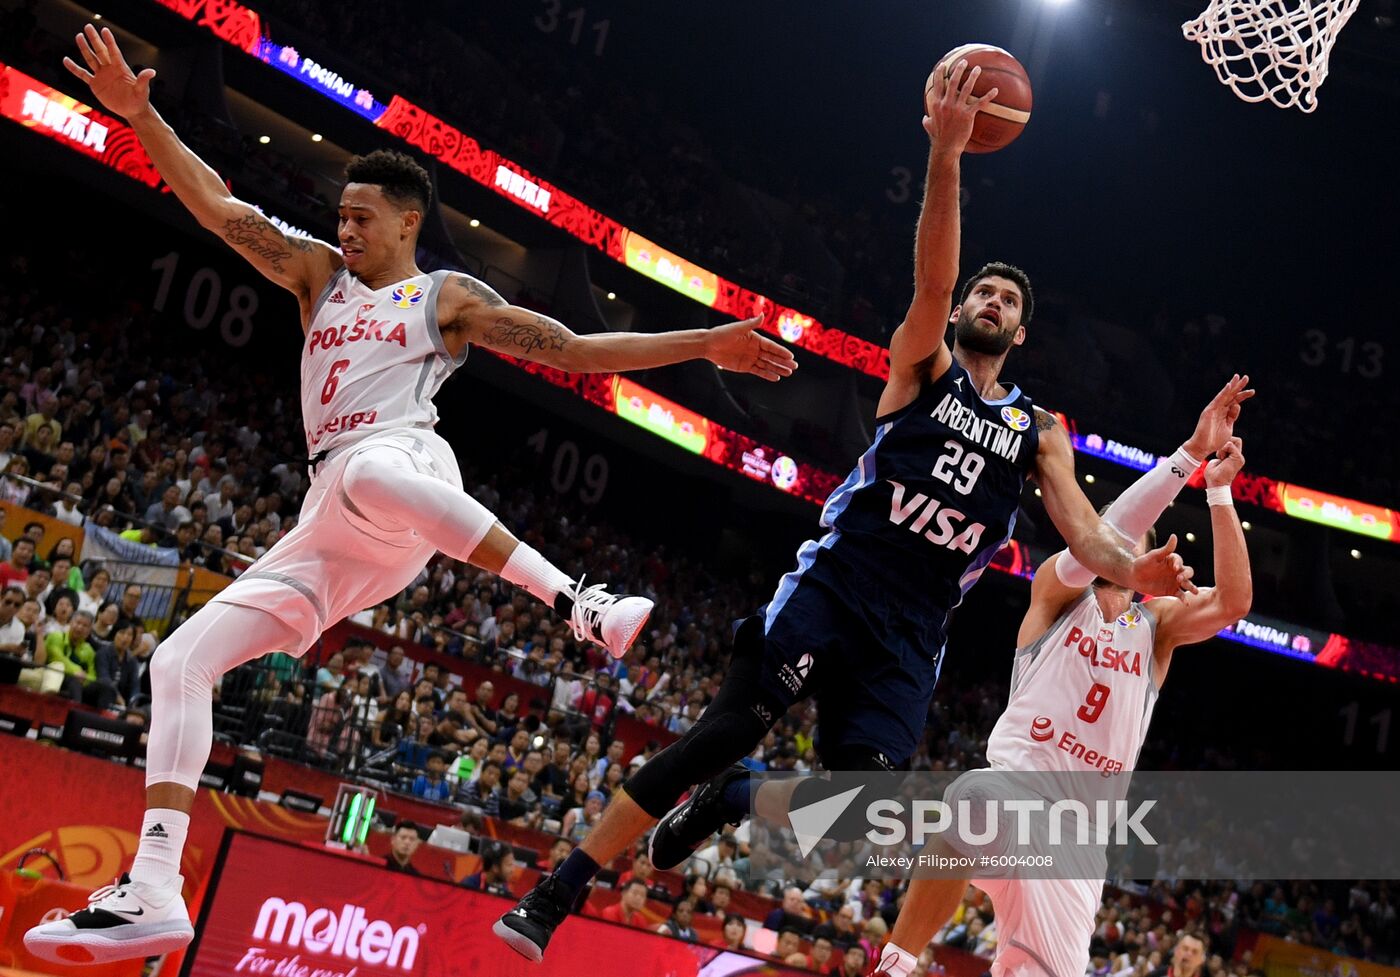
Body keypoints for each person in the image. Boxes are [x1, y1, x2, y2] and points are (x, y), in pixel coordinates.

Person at [28, 24, 796, 966]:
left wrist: (704, 343)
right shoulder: (314, 275)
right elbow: (217, 205)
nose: (342, 228)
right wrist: (142, 116)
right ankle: (152, 884)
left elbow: (577, 352)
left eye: (360, 218)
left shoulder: (442, 300)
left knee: (368, 468)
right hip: (332, 523)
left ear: (405, 223)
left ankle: (579, 602)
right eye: (339, 215)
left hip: (409, 477)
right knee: (179, 659)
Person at [496, 58, 1193, 962]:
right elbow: (933, 287)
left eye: (1008, 301)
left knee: (865, 820)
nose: (989, 301)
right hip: (837, 586)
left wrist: (1131, 568)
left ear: (1022, 334)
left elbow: (1084, 528)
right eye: (985, 290)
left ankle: (745, 795)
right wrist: (946, 157)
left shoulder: (1037, 428)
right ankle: (560, 890)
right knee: (721, 729)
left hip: (910, 635)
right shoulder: (923, 364)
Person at [874, 425, 1252, 977]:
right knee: (975, 795)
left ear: (1147, 565)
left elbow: (1235, 601)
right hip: (1016, 791)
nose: (1119, 549)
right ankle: (896, 963)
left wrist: (1218, 492)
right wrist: (1185, 457)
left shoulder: (1157, 626)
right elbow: (1105, 537)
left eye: (1132, 547)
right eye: (1107, 541)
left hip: (1078, 839)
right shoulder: (1056, 590)